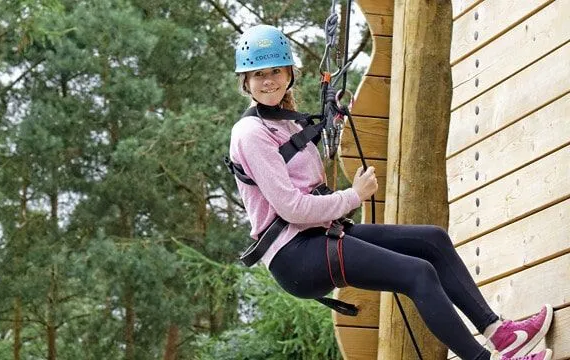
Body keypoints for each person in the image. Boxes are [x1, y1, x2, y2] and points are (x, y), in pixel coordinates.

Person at [226, 24, 554, 360]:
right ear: (246, 82)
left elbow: (307, 184)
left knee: (432, 241)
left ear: (289, 73)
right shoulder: (249, 133)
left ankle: (501, 335)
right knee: (417, 273)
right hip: (294, 254)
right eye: (258, 74)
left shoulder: (286, 122)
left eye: (276, 71)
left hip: (314, 238)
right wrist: (354, 196)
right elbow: (291, 207)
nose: (269, 81)